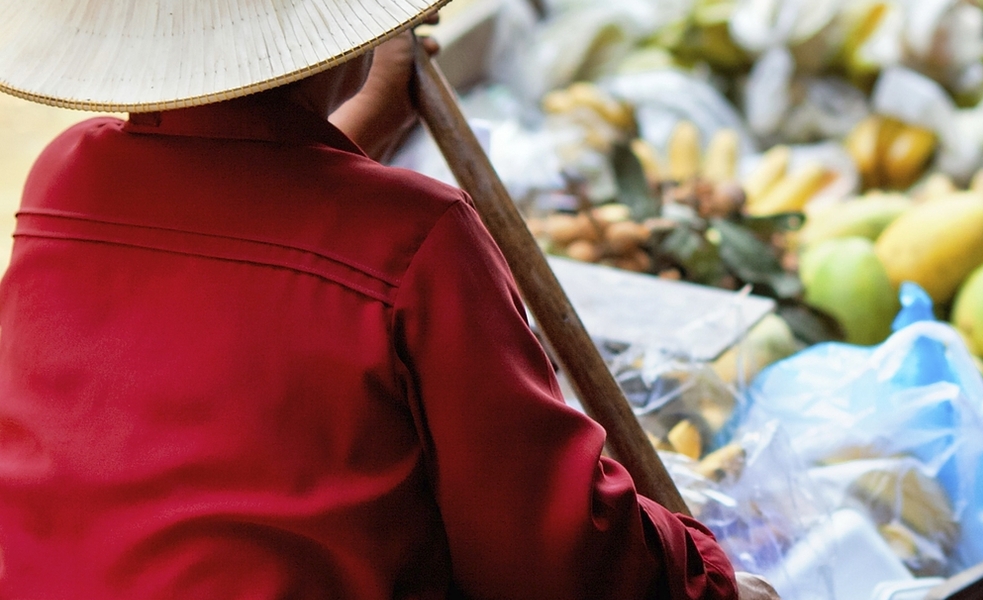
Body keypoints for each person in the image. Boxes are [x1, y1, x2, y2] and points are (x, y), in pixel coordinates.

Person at [0, 2, 776, 599]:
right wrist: (707, 575)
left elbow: (252, 235)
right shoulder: (417, 236)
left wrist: (361, 123)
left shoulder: (65, 176)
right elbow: (550, 556)